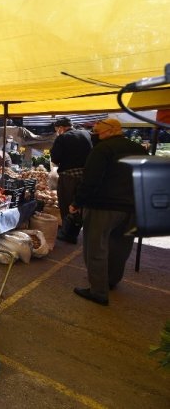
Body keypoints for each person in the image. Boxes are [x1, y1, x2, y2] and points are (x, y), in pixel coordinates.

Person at [70, 119, 146, 306]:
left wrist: (77, 202)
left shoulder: (103, 149)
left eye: (97, 131)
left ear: (109, 131)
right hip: (132, 207)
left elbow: (91, 180)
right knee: (121, 246)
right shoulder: (139, 149)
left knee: (96, 248)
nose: (95, 134)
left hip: (103, 207)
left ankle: (98, 291)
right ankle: (111, 280)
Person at [51, 117, 93, 244]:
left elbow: (55, 158)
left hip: (69, 176)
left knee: (66, 203)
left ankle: (68, 233)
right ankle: (76, 230)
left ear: (61, 128)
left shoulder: (62, 138)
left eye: (57, 130)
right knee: (79, 203)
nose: (57, 132)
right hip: (86, 175)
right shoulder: (87, 133)